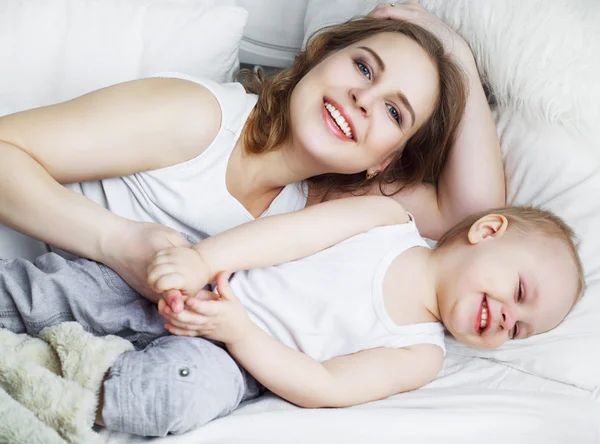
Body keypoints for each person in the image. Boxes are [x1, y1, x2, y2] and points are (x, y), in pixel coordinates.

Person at [0, 2, 504, 312]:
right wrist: (119, 242)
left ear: (383, 164)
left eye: (394, 112)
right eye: (364, 68)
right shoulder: (198, 118)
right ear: (320, 58)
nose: (363, 100)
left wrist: (456, 55)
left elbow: (474, 218)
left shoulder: (317, 211)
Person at [0, 197, 583, 435]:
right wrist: (199, 262)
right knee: (75, 289)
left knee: (175, 396)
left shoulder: (422, 353)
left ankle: (53, 390)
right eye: (519, 292)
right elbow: (282, 236)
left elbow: (324, 386)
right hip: (214, 280)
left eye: (519, 329)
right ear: (487, 230)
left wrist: (239, 332)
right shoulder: (386, 220)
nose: (506, 319)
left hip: (234, 356)